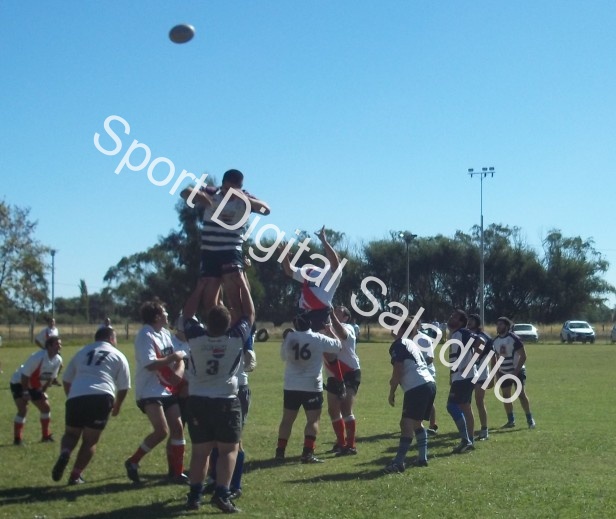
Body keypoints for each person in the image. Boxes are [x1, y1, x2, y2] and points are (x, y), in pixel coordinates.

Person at [182, 274, 256, 513]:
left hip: (198, 400)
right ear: (228, 323)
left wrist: (200, 288)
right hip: (225, 401)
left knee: (200, 452)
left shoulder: (196, 338)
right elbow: (249, 314)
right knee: (228, 451)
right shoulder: (235, 339)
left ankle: (194, 496)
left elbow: (187, 315)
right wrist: (242, 284)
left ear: (206, 322)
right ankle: (222, 494)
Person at [180, 169, 270, 316]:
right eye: (228, 189)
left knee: (235, 295)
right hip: (209, 252)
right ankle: (218, 325)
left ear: (240, 187)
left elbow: (266, 210)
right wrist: (200, 196)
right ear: (222, 185)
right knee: (209, 300)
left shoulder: (244, 198)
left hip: (231, 251)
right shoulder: (212, 192)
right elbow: (184, 193)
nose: (230, 194)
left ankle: (241, 324)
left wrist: (245, 199)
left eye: (235, 190)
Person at [51, 326, 130, 485]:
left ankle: (65, 452)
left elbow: (66, 379)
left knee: (71, 434)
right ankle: (75, 475)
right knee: (90, 440)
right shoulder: (118, 354)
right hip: (101, 397)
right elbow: (124, 387)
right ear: (111, 338)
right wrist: (117, 405)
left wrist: (71, 396)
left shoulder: (82, 351)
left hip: (76, 396)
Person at [124, 300, 188, 485]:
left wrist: (178, 372)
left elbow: (179, 359)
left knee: (177, 428)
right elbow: (150, 364)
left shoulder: (165, 333)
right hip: (149, 391)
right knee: (161, 431)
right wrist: (173, 358)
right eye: (164, 311)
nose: (167, 314)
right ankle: (133, 461)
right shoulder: (145, 335)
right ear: (157, 316)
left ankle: (177, 473)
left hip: (167, 390)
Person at [279, 226, 346, 396]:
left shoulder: (334, 275)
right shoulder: (310, 271)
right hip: (303, 314)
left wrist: (324, 240)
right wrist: (284, 256)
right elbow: (288, 271)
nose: (330, 258)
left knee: (329, 351)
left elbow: (335, 262)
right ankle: (306, 379)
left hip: (320, 313)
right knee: (303, 345)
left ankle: (338, 382)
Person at [276, 311, 342, 464]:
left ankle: (280, 452)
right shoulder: (317, 338)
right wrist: (330, 331)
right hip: (312, 386)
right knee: (313, 420)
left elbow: (283, 357)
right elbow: (338, 346)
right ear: (310, 323)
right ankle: (307, 453)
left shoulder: (290, 337)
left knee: (287, 420)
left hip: (291, 385)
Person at [384, 317, 436, 473]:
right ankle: (422, 458)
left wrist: (392, 391)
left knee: (406, 424)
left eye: (395, 326)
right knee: (416, 423)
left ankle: (398, 462)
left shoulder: (399, 344)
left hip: (417, 387)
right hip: (428, 384)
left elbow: (398, 369)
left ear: (402, 329)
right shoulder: (411, 343)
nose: (391, 328)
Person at [10, 335, 63, 445]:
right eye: (56, 344)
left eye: (60, 344)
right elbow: (25, 376)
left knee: (46, 408)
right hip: (19, 382)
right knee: (23, 409)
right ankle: (17, 439)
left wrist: (43, 392)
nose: (59, 346)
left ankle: (45, 436)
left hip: (33, 385)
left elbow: (50, 378)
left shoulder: (58, 360)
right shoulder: (37, 357)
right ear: (48, 346)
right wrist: (25, 392)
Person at [446, 309, 484, 454]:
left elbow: (481, 343)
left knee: (451, 406)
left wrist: (470, 364)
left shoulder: (463, 332)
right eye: (451, 315)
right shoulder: (454, 334)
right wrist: (451, 375)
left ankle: (465, 440)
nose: (451, 318)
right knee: (465, 407)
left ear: (461, 322)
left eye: (454, 317)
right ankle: (470, 441)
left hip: (465, 377)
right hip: (460, 377)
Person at [326, 306, 360, 456]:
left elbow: (342, 335)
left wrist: (331, 316)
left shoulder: (348, 327)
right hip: (333, 372)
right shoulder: (326, 327)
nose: (335, 311)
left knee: (346, 408)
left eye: (339, 311)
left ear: (346, 317)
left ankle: (351, 445)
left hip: (350, 372)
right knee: (333, 409)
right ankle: (341, 443)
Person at [492, 316, 536, 429]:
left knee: (521, 394)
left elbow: (523, 356)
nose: (498, 326)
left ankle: (530, 419)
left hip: (518, 370)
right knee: (506, 396)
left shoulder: (514, 339)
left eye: (501, 324)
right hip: (503, 372)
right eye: (497, 324)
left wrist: (516, 372)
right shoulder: (495, 341)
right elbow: (496, 358)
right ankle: (511, 420)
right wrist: (497, 374)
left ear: (506, 326)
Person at [467, 313, 494, 440]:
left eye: (472, 320)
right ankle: (467, 430)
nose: (469, 322)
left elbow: (493, 357)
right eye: (468, 320)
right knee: (465, 402)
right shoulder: (465, 334)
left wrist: (492, 376)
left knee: (479, 401)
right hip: (467, 373)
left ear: (477, 323)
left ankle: (484, 430)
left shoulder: (484, 337)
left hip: (481, 372)